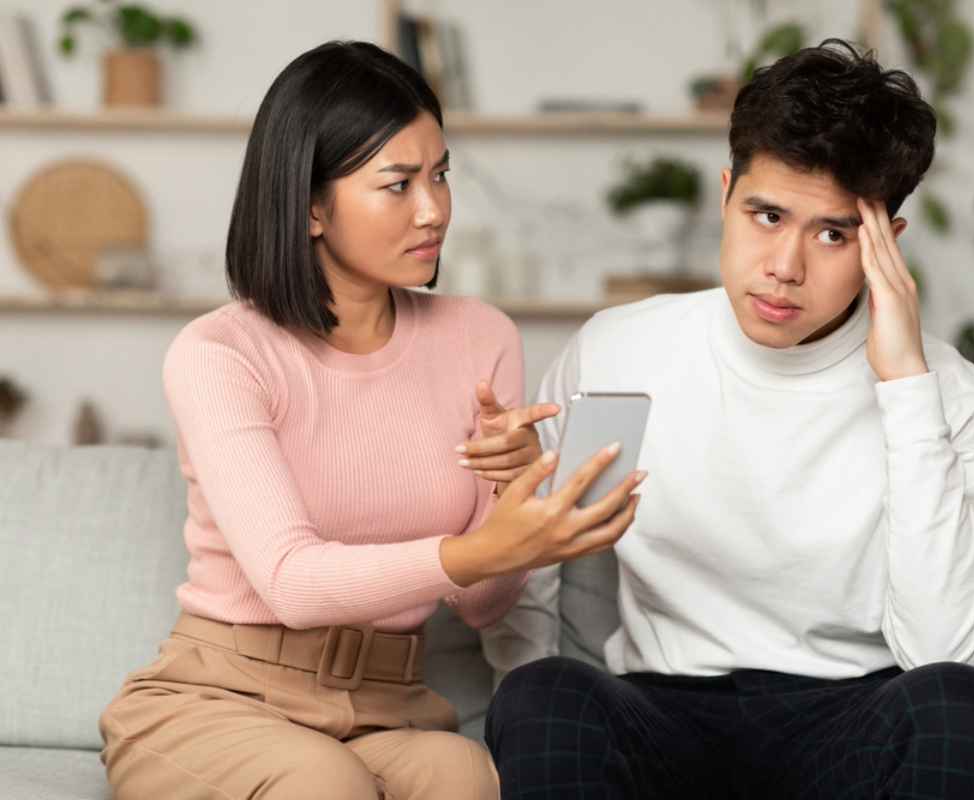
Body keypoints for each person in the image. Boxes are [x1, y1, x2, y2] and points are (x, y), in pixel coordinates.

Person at [484, 39, 974, 799]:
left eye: (833, 234)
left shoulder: (957, 398)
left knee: (973, 710)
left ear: (888, 246)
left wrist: (906, 384)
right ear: (725, 196)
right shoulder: (619, 349)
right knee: (540, 696)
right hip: (663, 710)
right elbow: (532, 555)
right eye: (767, 215)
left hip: (851, 713)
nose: (785, 264)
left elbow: (949, 650)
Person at [98, 40, 644, 800]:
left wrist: (513, 495)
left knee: (470, 780)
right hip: (223, 696)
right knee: (323, 786)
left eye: (441, 174)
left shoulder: (480, 336)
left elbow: (484, 602)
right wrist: (470, 547)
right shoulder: (222, 353)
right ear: (312, 205)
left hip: (387, 706)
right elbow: (289, 582)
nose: (435, 209)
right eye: (399, 184)